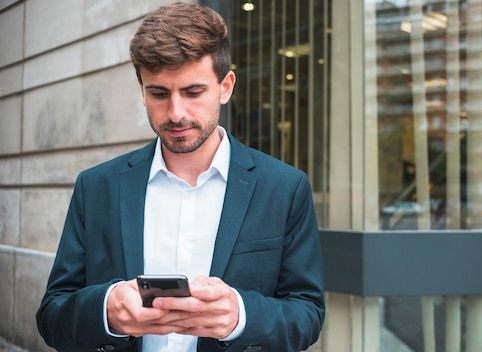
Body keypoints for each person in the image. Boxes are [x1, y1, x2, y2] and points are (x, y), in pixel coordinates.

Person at [35, 3, 325, 352]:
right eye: (159, 93)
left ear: (226, 86)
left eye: (193, 92)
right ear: (142, 90)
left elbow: (308, 313)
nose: (176, 113)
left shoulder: (284, 187)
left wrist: (241, 316)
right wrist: (107, 309)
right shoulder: (96, 187)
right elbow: (52, 315)